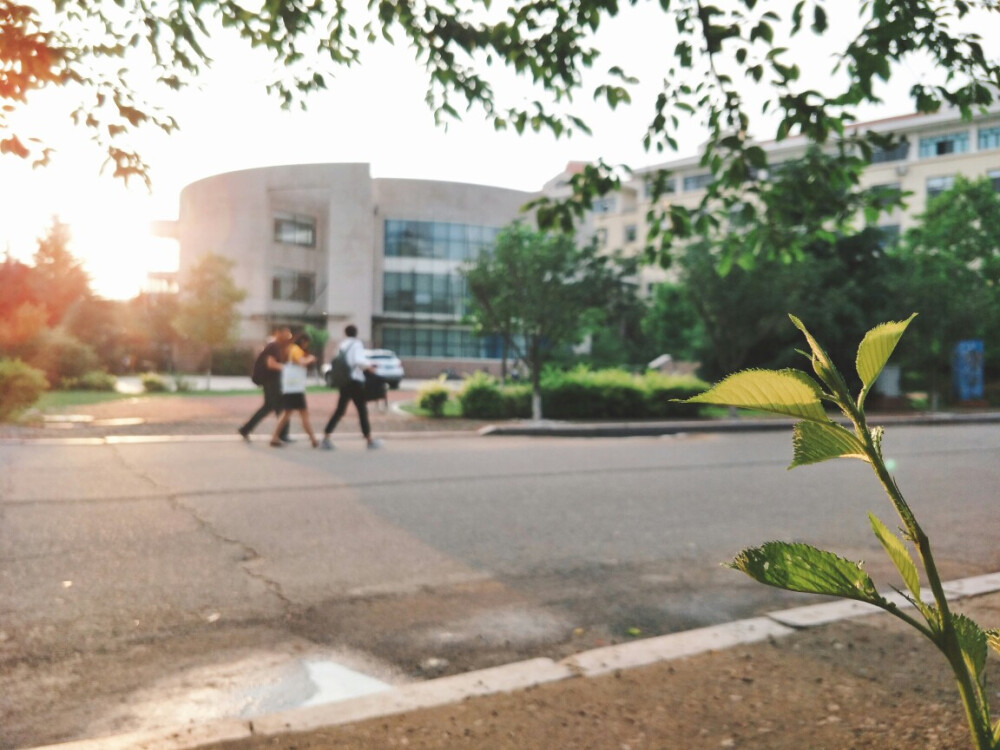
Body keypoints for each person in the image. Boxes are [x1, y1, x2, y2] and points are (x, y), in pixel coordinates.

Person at [321, 325, 382, 450]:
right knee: (362, 410)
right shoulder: (356, 344)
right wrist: (369, 367)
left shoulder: (342, 344)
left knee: (340, 410)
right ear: (356, 333)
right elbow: (358, 360)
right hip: (355, 381)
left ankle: (326, 436)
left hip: (344, 381)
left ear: (345, 333)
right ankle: (369, 440)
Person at [238, 326, 292, 442]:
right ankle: (282, 434)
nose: (288, 336)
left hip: (270, 380)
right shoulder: (274, 346)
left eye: (289, 334)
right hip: (272, 381)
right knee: (278, 407)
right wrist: (287, 368)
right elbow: (271, 364)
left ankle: (246, 429)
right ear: (278, 333)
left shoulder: (274, 345)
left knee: (271, 407)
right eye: (286, 334)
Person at [270, 333, 320, 448]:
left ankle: (274, 437)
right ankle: (313, 440)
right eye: (307, 343)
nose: (307, 346)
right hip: (295, 388)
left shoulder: (290, 349)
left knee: (287, 414)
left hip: (290, 387)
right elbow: (301, 362)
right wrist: (310, 358)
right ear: (303, 341)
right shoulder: (296, 350)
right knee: (303, 414)